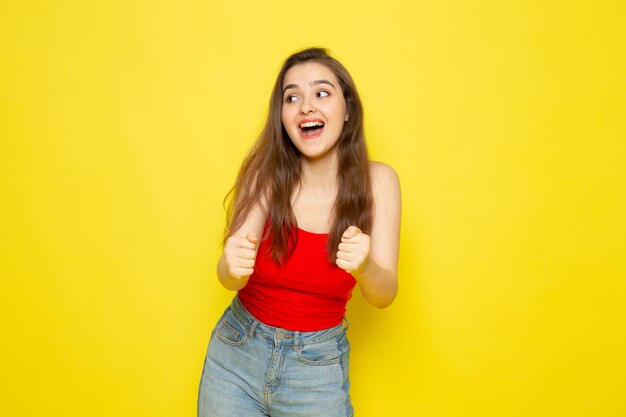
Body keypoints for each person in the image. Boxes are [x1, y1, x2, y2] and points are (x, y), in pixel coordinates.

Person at [197, 47, 401, 417]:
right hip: (236, 356)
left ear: (348, 109)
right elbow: (229, 278)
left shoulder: (378, 182)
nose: (306, 106)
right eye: (293, 97)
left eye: (321, 93)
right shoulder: (264, 176)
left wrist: (365, 266)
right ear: (283, 117)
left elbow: (384, 294)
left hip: (316, 368)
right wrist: (230, 265)